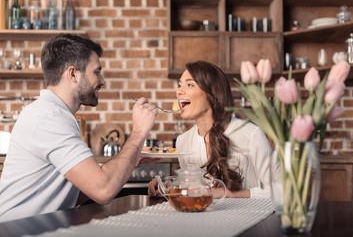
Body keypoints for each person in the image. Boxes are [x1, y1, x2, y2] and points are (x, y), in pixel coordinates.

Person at [0, 34, 158, 222]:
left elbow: (78, 190)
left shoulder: (54, 114)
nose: (102, 81)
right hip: (17, 231)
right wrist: (139, 132)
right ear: (73, 73)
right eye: (96, 72)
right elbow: (102, 190)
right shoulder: (49, 118)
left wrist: (129, 161)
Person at [148, 60, 271, 198]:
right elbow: (195, 191)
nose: (179, 91)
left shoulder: (251, 134)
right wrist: (168, 186)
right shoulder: (183, 141)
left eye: (189, 84)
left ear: (212, 93)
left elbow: (279, 193)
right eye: (179, 85)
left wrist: (228, 194)